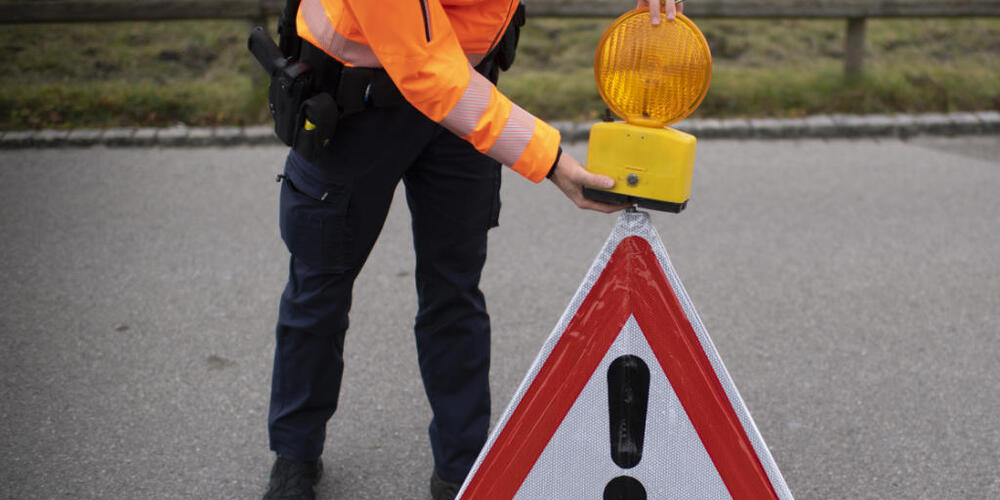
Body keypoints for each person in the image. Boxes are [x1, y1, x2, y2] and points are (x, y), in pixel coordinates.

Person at [262, 0, 682, 499]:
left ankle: (462, 472)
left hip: (466, 101)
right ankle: (295, 452)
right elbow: (428, 72)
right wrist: (551, 161)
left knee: (455, 291)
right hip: (356, 106)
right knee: (320, 287)